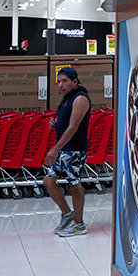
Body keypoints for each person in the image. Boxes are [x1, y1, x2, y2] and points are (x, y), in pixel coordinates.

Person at [44, 67, 91, 236]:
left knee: (74, 185)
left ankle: (79, 224)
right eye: (59, 81)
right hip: (63, 148)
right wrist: (55, 124)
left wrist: (55, 149)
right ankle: (67, 214)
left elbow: (73, 127)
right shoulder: (66, 99)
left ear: (75, 81)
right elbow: (65, 123)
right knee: (49, 181)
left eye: (64, 81)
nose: (61, 85)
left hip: (75, 149)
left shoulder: (80, 99)